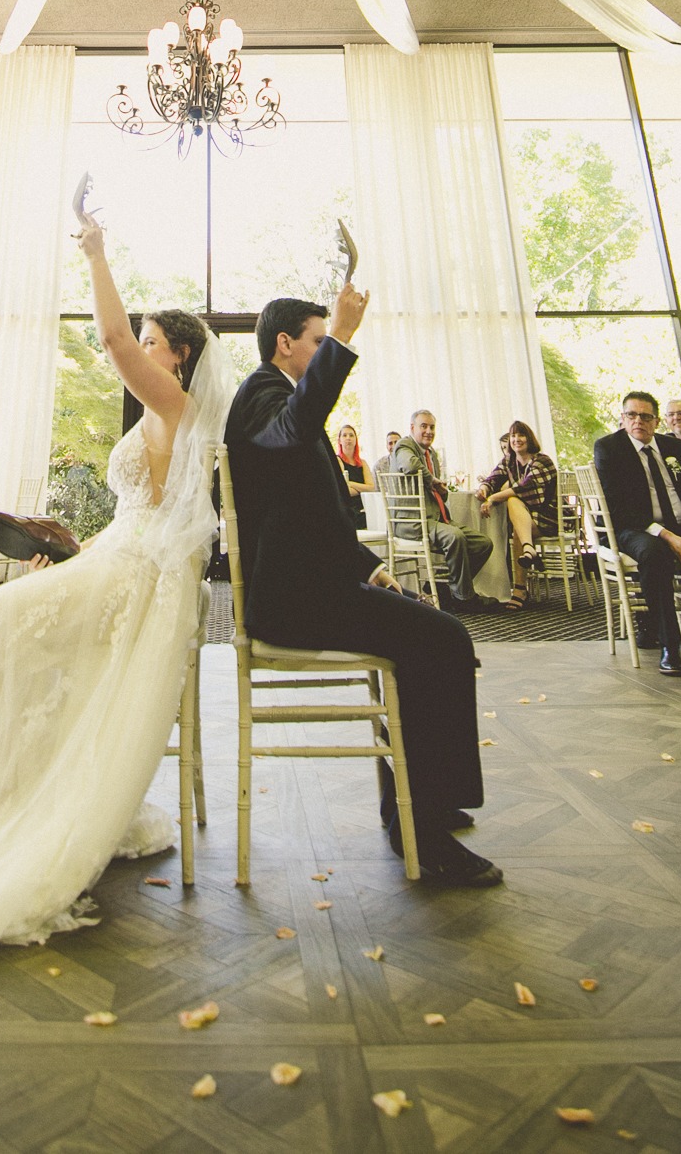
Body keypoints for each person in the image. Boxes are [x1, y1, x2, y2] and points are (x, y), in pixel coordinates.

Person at [0, 200, 236, 974]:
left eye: (155, 343)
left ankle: (11, 804)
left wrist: (95, 252)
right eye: (146, 342)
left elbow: (114, 337)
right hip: (117, 562)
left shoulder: (175, 405)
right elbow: (144, 514)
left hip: (137, 584)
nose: (138, 351)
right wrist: (69, 550)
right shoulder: (164, 413)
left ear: (180, 357)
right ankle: (9, 790)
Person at [225, 293, 499, 889]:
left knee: (433, 637)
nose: (328, 349)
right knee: (442, 640)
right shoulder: (261, 398)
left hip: (319, 587)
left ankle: (417, 801)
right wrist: (345, 333)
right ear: (285, 344)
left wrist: (369, 567)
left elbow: (308, 515)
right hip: (296, 603)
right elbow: (294, 432)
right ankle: (422, 833)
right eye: (319, 341)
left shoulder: (281, 399)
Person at [593, 393, 681, 676]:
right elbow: (618, 507)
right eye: (632, 415)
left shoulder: (674, 447)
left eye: (645, 416)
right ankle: (670, 646)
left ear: (656, 421)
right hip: (632, 528)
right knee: (655, 553)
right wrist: (665, 534)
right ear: (623, 418)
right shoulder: (609, 448)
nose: (638, 421)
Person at [389, 410, 493, 607]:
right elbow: (410, 466)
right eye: (424, 426)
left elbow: (434, 491)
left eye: (432, 427)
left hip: (435, 519)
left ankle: (443, 586)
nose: (429, 431)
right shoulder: (404, 445)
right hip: (413, 522)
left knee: (483, 543)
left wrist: (442, 491)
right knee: (455, 537)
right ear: (412, 428)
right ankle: (464, 598)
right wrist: (434, 480)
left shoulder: (431, 454)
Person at [478, 422, 558, 611]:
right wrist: (484, 488)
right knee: (517, 529)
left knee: (514, 503)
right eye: (513, 436)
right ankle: (528, 552)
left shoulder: (542, 460)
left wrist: (493, 498)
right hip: (525, 521)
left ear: (529, 438)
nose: (516, 440)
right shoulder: (509, 461)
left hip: (548, 518)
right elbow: (493, 478)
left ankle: (520, 589)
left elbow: (525, 488)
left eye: (521, 435)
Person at [334, 422, 374, 530]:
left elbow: (372, 488)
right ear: (340, 441)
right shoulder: (337, 461)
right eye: (345, 435)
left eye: (351, 435)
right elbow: (344, 491)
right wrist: (362, 488)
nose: (348, 438)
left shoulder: (362, 463)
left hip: (364, 507)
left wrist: (350, 483)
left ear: (356, 440)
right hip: (348, 509)